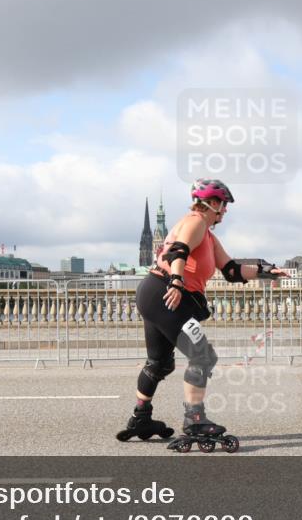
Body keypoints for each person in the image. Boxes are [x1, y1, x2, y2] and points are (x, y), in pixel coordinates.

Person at [115, 178, 287, 451]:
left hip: (154, 293)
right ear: (211, 204)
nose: (225, 211)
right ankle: (194, 420)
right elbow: (178, 251)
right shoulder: (195, 222)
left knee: (159, 363)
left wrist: (266, 271)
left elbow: (231, 270)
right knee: (203, 356)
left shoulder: (207, 234)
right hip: (166, 295)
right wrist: (176, 281)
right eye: (223, 205)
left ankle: (141, 417)